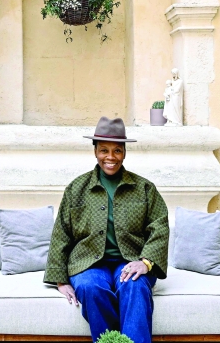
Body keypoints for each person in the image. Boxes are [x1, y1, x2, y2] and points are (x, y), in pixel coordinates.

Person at [44, 116, 169, 343]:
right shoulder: (76, 189)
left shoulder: (144, 188)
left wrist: (146, 262)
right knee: (91, 288)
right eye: (104, 150)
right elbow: (61, 233)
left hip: (129, 259)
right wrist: (60, 280)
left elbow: (159, 226)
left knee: (134, 286)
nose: (110, 157)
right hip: (87, 262)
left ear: (124, 152)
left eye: (117, 151)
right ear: (95, 151)